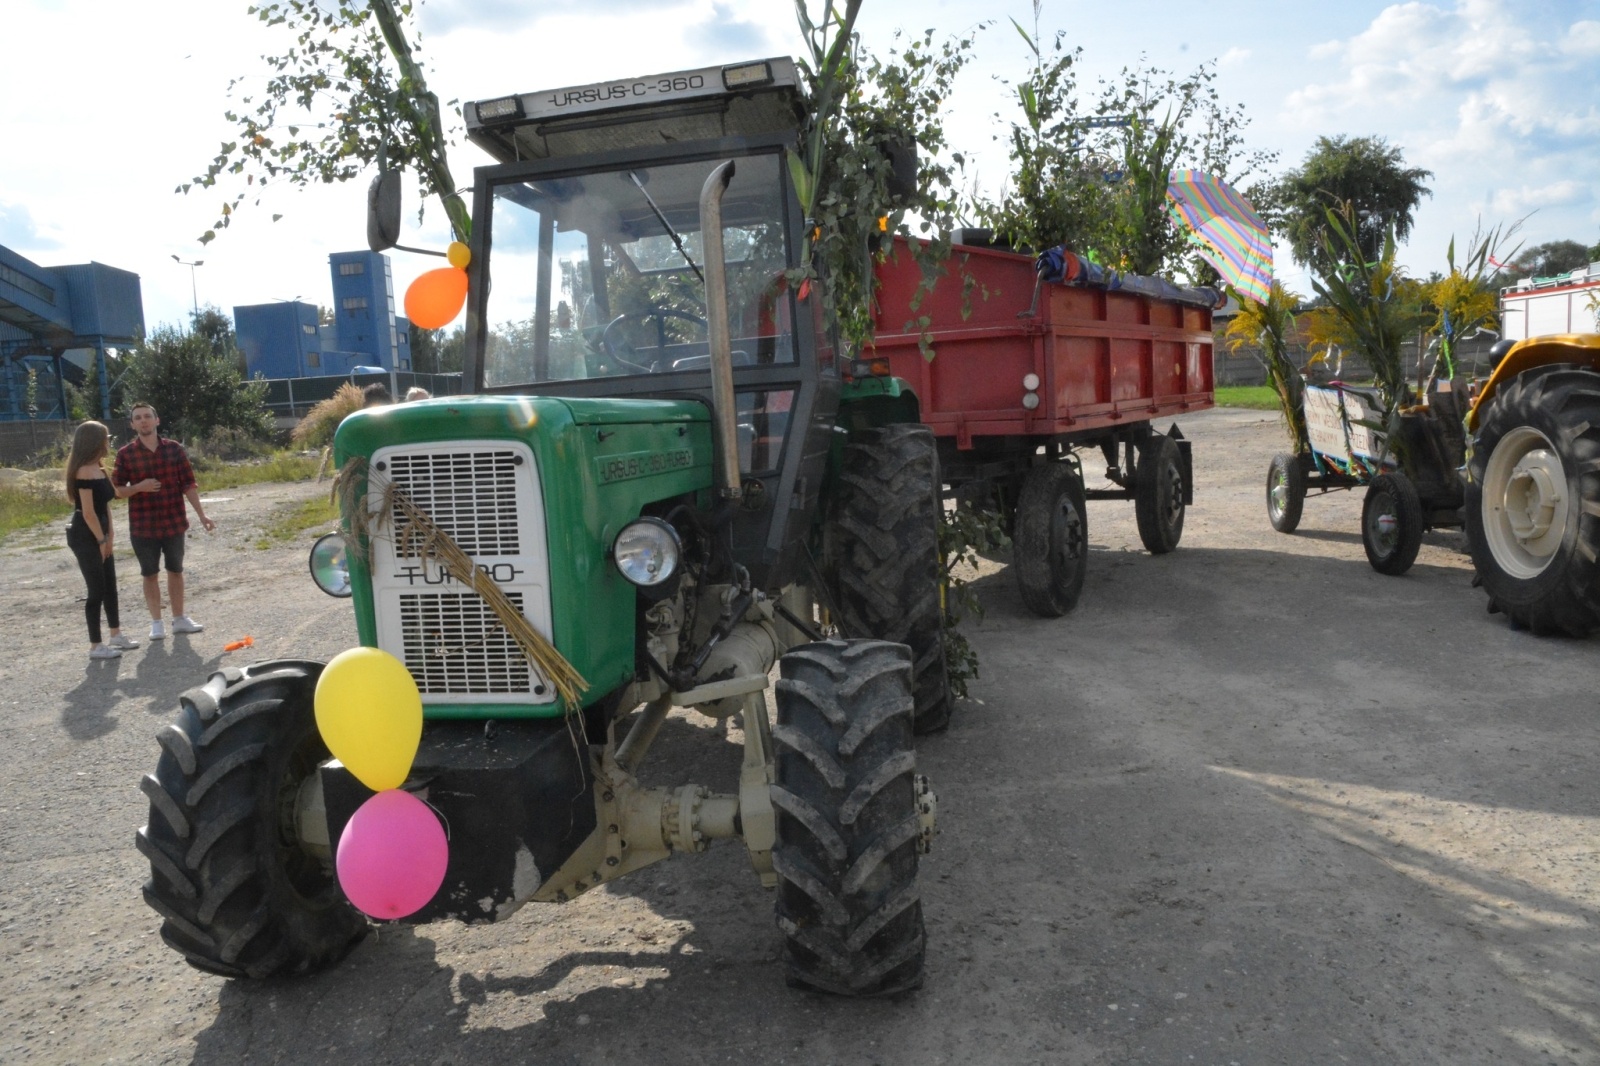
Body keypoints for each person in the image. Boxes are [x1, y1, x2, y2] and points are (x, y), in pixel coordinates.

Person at [113, 403, 216, 640]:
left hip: (174, 521)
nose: (143, 421)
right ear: (132, 424)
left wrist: (202, 514)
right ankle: (156, 623)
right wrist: (139, 487)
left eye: (148, 416)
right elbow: (117, 490)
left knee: (175, 570)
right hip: (142, 525)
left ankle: (179, 619)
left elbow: (188, 484)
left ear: (157, 420)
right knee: (149, 574)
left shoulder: (174, 450)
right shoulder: (125, 454)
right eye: (138, 418)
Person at [65, 421, 143, 659]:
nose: (108, 441)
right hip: (85, 534)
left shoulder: (99, 468)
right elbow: (88, 512)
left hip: (101, 531)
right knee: (96, 589)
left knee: (110, 586)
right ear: (94, 441)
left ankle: (116, 634)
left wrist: (110, 536)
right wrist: (100, 540)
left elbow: (107, 503)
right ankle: (95, 645)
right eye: (105, 438)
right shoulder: (83, 472)